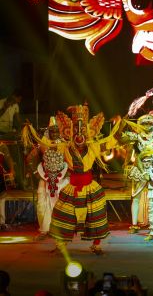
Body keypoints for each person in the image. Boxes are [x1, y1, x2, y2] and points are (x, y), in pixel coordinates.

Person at [26, 104, 123, 255]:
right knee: (62, 216)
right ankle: (60, 244)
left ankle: (96, 245)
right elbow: (47, 145)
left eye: (82, 131)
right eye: (76, 131)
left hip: (90, 187)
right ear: (70, 133)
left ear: (88, 133)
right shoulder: (64, 147)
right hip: (71, 187)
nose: (79, 135)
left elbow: (112, 140)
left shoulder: (94, 147)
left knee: (95, 216)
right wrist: (32, 131)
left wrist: (120, 126)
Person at [119, 114, 153, 234]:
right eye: (145, 123)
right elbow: (120, 139)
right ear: (139, 124)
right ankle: (134, 225)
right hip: (139, 170)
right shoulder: (136, 136)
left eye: (150, 123)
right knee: (136, 197)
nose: (147, 126)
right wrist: (121, 127)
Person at [33, 117, 70, 240]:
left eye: (56, 131)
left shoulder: (64, 144)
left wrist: (68, 173)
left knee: (60, 204)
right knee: (42, 204)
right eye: (52, 131)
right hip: (45, 177)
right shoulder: (42, 143)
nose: (54, 134)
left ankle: (60, 229)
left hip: (61, 178)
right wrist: (34, 171)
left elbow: (69, 160)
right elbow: (31, 157)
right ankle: (44, 230)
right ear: (48, 132)